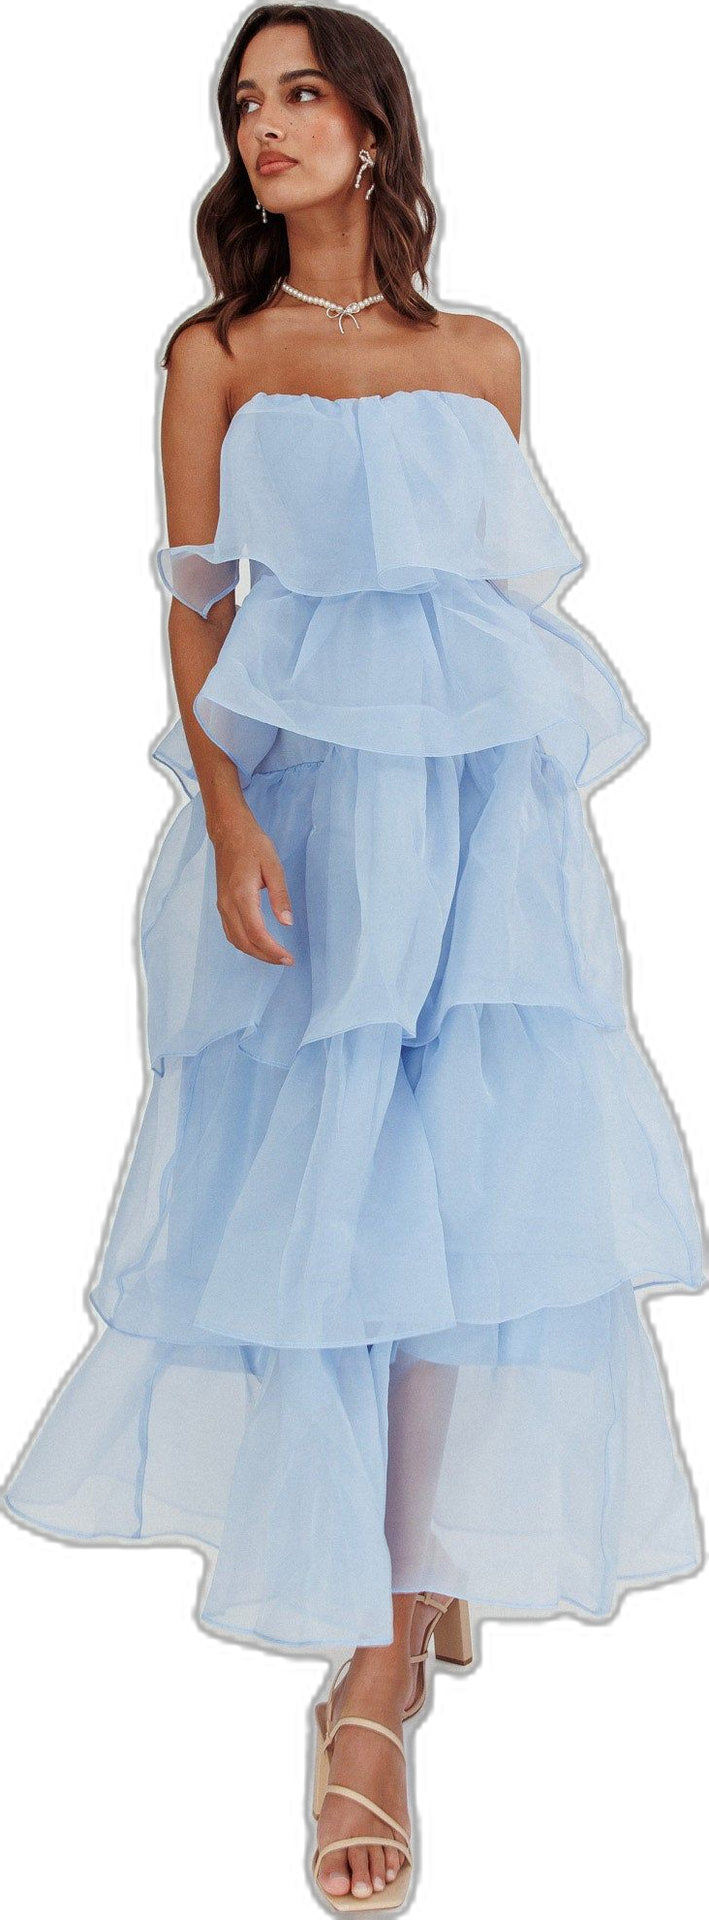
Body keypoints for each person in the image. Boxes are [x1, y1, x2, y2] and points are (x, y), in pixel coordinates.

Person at [2, 7, 705, 1911]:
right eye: (247, 102)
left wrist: (528, 846)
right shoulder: (215, 354)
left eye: (302, 92)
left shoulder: (483, 356)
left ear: (377, 128)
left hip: (479, 830)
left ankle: (393, 1646)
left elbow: (494, 614)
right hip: (305, 829)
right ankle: (373, 1648)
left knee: (467, 1187)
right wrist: (231, 820)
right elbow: (196, 607)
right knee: (335, 1192)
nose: (268, 125)